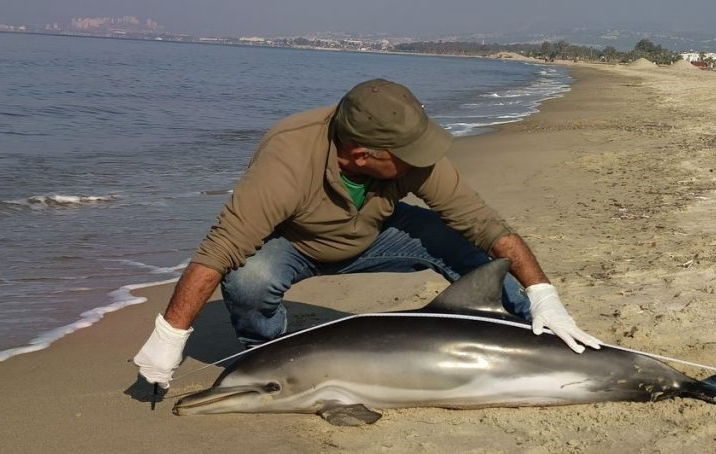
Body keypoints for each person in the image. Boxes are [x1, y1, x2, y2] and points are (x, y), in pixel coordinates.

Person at [134, 79, 601, 389]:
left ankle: (538, 330)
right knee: (247, 278)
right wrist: (169, 335)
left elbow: (484, 223)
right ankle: (274, 355)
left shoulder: (412, 157)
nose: (421, 160)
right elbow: (220, 248)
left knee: (468, 245)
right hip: (296, 244)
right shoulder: (287, 160)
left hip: (379, 234)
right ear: (360, 154)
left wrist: (543, 294)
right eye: (408, 154)